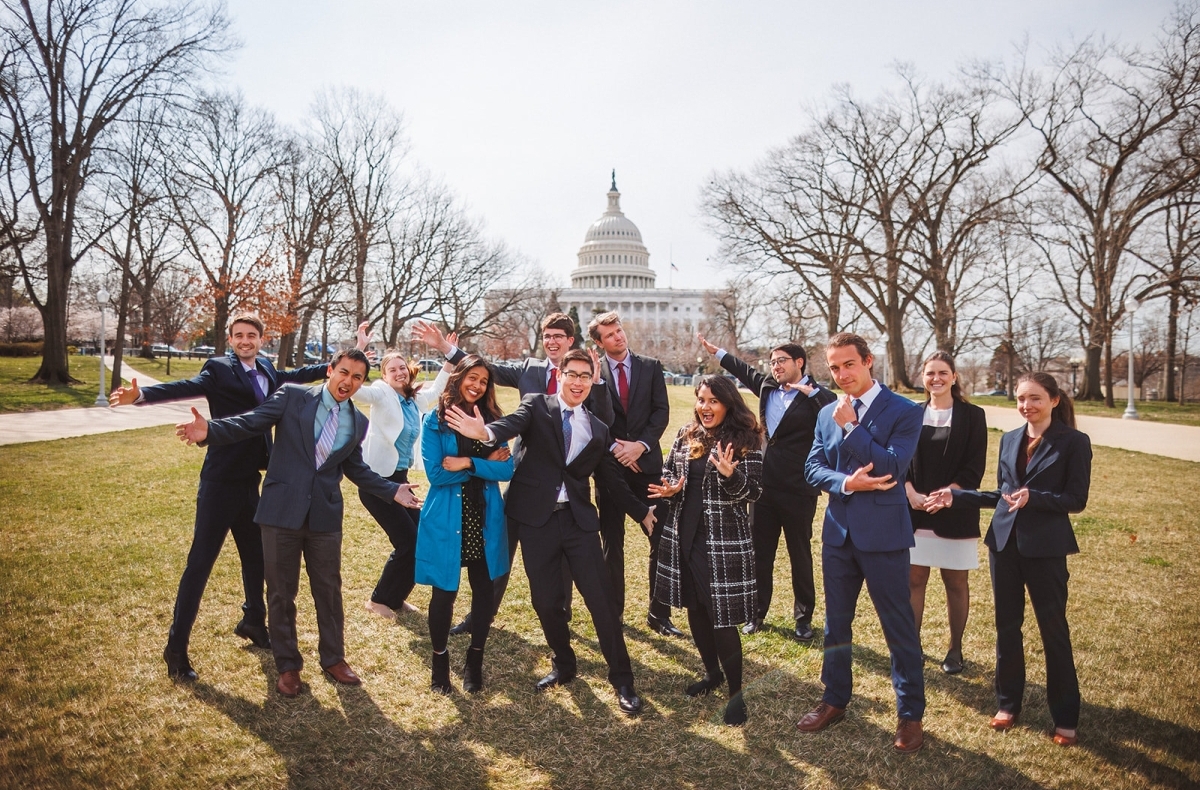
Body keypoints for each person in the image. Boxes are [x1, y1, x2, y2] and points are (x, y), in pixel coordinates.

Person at [175, 349, 419, 698]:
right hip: (280, 513)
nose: (348, 382)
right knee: (280, 593)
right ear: (330, 371)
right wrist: (209, 431)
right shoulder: (292, 396)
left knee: (329, 591)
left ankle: (334, 658)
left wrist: (392, 490)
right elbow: (251, 422)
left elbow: (356, 469)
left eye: (357, 378)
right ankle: (288, 667)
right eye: (344, 373)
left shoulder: (358, 423)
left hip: (324, 516)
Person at [109, 313, 331, 681]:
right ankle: (175, 648)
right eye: (239, 336)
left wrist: (336, 364)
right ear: (231, 339)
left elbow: (297, 377)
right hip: (220, 481)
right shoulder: (218, 368)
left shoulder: (267, 368)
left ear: (262, 339)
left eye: (252, 335)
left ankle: (253, 621)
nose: (245, 341)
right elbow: (185, 385)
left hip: (251, 481)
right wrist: (143, 395)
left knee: (256, 558)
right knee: (200, 564)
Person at [446, 349, 657, 715]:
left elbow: (612, 481)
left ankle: (622, 679)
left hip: (579, 523)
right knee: (546, 603)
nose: (578, 382)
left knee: (601, 603)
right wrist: (486, 432)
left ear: (592, 381)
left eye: (585, 376)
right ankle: (564, 663)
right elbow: (509, 424)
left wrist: (642, 513)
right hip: (536, 521)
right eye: (571, 374)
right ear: (560, 375)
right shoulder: (537, 406)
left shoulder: (599, 428)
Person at [925, 371, 1091, 747]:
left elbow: (1076, 500)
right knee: (1006, 628)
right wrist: (958, 497)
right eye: (1020, 399)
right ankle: (1007, 704)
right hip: (1004, 545)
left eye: (1034, 398)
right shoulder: (1010, 439)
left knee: (1054, 632)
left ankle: (1065, 718)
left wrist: (1038, 498)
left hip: (1046, 549)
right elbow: (1003, 494)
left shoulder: (1074, 442)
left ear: (1053, 400)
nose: (1026, 406)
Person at [417, 314, 608, 635]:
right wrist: (446, 348)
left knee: (562, 553)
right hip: (525, 478)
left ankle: (560, 614)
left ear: (569, 341)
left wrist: (598, 385)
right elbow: (483, 370)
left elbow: (599, 423)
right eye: (547, 336)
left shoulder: (587, 376)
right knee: (501, 548)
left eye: (558, 336)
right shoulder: (529, 370)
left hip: (564, 487)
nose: (552, 341)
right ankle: (481, 614)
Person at [796, 332, 926, 754]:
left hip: (885, 536)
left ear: (868, 361)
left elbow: (891, 466)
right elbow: (813, 468)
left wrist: (851, 425)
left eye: (848, 364)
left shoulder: (905, 411)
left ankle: (910, 715)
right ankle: (834, 699)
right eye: (834, 368)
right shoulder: (825, 413)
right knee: (836, 624)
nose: (841, 374)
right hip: (838, 533)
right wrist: (846, 482)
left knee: (898, 627)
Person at [699, 334, 836, 641]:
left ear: (799, 363)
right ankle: (756, 613)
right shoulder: (768, 387)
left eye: (781, 361)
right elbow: (742, 370)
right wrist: (717, 352)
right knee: (760, 553)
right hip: (763, 486)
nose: (775, 367)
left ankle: (803, 618)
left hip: (799, 487)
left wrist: (811, 392)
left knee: (799, 553)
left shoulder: (817, 396)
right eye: (772, 362)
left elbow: (833, 408)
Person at [648, 375, 764, 726]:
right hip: (685, 536)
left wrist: (732, 476)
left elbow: (755, 493)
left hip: (723, 544)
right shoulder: (687, 434)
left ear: (729, 403)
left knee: (722, 619)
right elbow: (670, 473)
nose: (704, 406)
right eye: (701, 399)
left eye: (713, 400)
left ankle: (735, 695)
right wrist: (670, 489)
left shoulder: (748, 441)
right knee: (696, 610)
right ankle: (712, 674)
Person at [414, 356, 514, 694]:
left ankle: (475, 660)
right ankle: (439, 661)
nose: (477, 385)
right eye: (473, 377)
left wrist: (469, 461)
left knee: (484, 592)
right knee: (445, 593)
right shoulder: (435, 422)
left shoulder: (493, 423)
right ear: (459, 378)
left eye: (484, 381)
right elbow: (437, 474)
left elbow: (507, 470)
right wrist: (485, 462)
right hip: (447, 518)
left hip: (484, 518)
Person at [588, 311, 680, 637]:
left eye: (619, 330)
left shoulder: (651, 367)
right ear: (598, 342)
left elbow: (661, 412)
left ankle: (659, 614)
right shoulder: (595, 372)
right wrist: (617, 449)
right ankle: (613, 614)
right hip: (611, 469)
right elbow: (593, 417)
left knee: (662, 537)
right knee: (611, 541)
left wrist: (639, 445)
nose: (619, 336)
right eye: (610, 334)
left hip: (648, 466)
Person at [353, 331, 454, 621]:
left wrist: (449, 356)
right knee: (407, 542)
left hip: (400, 480)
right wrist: (359, 351)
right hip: (377, 483)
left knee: (421, 537)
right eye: (391, 369)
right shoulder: (380, 393)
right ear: (384, 375)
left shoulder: (412, 400)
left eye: (401, 368)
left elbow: (436, 392)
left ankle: (396, 597)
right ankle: (379, 600)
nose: (398, 372)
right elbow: (356, 391)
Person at [905, 351, 987, 675]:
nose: (936, 379)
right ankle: (913, 647)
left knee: (955, 581)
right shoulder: (911, 414)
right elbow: (899, 460)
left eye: (942, 373)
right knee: (914, 580)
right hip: (916, 509)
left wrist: (950, 493)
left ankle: (955, 649)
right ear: (922, 378)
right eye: (930, 373)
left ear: (954, 377)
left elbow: (974, 466)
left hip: (955, 509)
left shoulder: (973, 416)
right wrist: (909, 492)